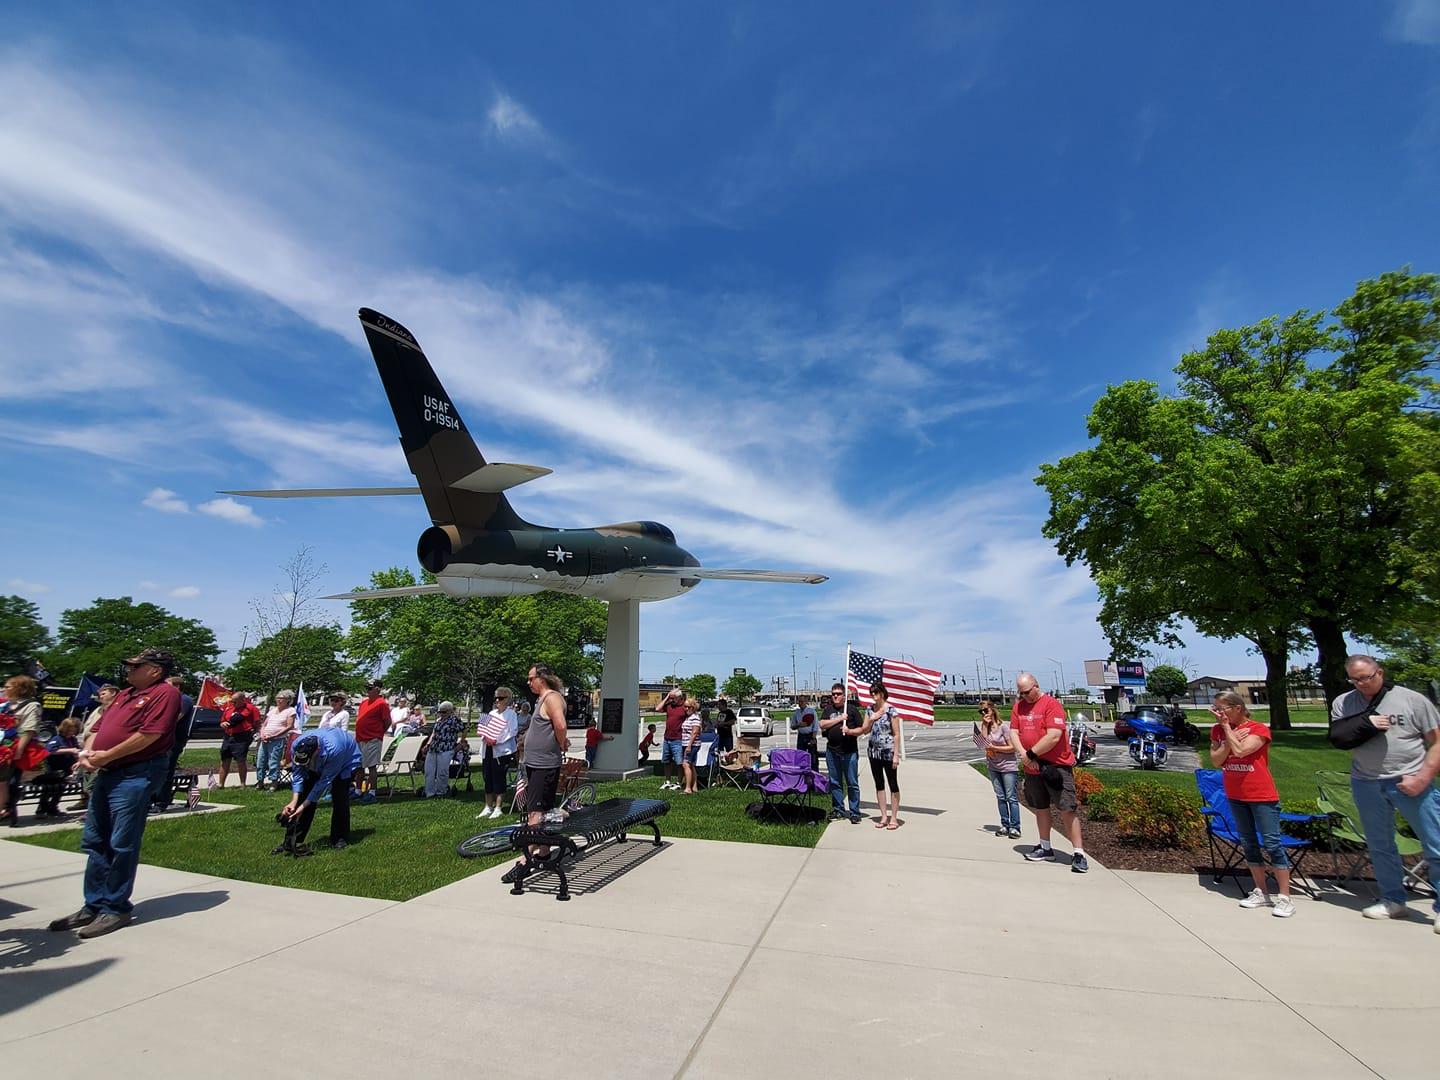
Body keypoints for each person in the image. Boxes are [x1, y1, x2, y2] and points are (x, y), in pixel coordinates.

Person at [47, 648, 181, 938]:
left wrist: (104, 757)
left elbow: (149, 735)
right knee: (95, 840)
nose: (128, 670)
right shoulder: (124, 694)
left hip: (136, 774)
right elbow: (98, 728)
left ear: (155, 670)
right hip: (107, 771)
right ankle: (92, 905)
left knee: (122, 842)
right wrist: (89, 752)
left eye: (136, 665)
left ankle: (116, 908)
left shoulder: (164, 694)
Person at [1331, 654, 1440, 929]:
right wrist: (1366, 725)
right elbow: (1339, 737)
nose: (1361, 684)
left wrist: (1423, 778)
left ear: (1379, 672)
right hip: (1365, 781)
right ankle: (1393, 900)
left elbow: (1436, 743)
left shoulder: (1412, 700)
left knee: (1434, 842)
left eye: (1366, 677)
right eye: (1355, 679)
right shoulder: (1344, 702)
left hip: (1410, 780)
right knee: (1380, 846)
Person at [1209, 691, 1293, 917]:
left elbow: (1241, 751)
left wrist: (1228, 732)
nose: (1217, 713)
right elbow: (1217, 760)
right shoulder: (1217, 730)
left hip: (1261, 795)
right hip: (1236, 794)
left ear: (1237, 708)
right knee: (1248, 842)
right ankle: (1261, 892)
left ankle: (1284, 897)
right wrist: (1228, 735)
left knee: (1272, 843)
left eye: (1221, 708)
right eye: (1215, 709)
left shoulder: (1258, 729)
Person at [1011, 672, 1088, 873]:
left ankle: (1078, 853)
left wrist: (1031, 754)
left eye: (1027, 692)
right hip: (1032, 767)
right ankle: (1045, 847)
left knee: (1067, 808)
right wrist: (1024, 755)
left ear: (1036, 685)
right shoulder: (1019, 707)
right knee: (1041, 807)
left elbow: (1054, 736)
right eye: (1020, 693)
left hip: (1056, 766)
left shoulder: (1051, 704)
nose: (1024, 696)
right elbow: (1013, 732)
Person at [510, 663, 569, 877]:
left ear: (541, 678)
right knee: (541, 811)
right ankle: (543, 852)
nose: (528, 682)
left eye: (530, 678)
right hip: (535, 764)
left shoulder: (552, 698)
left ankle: (524, 861)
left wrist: (561, 743)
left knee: (535, 813)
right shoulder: (541, 700)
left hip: (545, 765)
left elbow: (560, 726)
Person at [275, 726, 360, 856]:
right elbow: (297, 775)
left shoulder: (334, 750)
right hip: (321, 757)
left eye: (307, 761)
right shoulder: (296, 746)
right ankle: (292, 840)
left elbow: (323, 783)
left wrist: (304, 805)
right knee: (303, 797)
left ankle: (339, 838)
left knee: (340, 798)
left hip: (344, 759)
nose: (305, 764)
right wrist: (294, 801)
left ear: (317, 751)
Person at [3, 674, 59, 824]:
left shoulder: (31, 705)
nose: (4, 689)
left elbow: (29, 730)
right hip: (3, 745)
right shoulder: (6, 705)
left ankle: (9, 810)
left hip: (15, 748)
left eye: (8, 686)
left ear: (20, 689)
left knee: (12, 781)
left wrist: (18, 751)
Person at [852, 682, 904, 829]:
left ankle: (894, 817)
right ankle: (884, 816)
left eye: (875, 693)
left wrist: (895, 754)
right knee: (879, 783)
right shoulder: (870, 710)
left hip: (888, 751)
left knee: (892, 783)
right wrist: (873, 717)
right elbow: (865, 729)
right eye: (871, 693)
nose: (873, 696)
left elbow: (896, 733)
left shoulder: (891, 710)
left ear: (882, 693)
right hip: (874, 752)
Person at [974, 699, 1020, 838]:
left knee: (1011, 797)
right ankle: (1005, 824)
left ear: (993, 710)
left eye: (986, 710)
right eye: (981, 712)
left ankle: (1015, 826)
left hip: (1008, 766)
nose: (984, 713)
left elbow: (1013, 747)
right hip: (993, 766)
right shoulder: (985, 726)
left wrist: (996, 748)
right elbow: (982, 744)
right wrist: (984, 724)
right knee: (1000, 797)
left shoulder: (1004, 727)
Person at [70, 684, 118, 812]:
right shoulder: (97, 710)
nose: (100, 696)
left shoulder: (117, 710)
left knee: (94, 784)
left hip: (101, 753)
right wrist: (82, 754)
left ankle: (96, 811)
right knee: (85, 781)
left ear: (113, 693)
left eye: (104, 693)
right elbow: (88, 731)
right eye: (100, 694)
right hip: (87, 751)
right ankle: (87, 805)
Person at [151, 675, 196, 813]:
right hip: (161, 740)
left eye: (167, 685)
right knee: (156, 770)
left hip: (174, 740)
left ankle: (161, 802)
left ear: (177, 686)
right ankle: (153, 799)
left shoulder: (184, 700)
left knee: (166, 770)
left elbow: (174, 718)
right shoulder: (166, 699)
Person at [820, 683, 864, 823]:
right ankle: (838, 809)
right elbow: (822, 724)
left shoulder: (852, 710)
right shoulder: (828, 710)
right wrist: (839, 719)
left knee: (852, 783)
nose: (835, 696)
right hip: (832, 751)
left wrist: (850, 731)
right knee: (835, 782)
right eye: (833, 694)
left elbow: (861, 729)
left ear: (844, 696)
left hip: (849, 752)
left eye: (838, 694)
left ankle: (854, 812)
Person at [479, 687, 519, 818]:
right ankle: (487, 806)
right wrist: (486, 737)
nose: (497, 701)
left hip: (502, 751)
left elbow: (512, 731)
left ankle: (498, 807)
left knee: (499, 778)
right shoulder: (491, 713)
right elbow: (484, 728)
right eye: (496, 698)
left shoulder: (511, 714)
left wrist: (497, 740)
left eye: (500, 698)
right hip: (488, 750)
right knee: (487, 777)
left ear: (506, 700)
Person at [354, 679, 390, 804]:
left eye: (370, 688)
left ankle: (372, 792)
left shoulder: (382, 704)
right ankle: (358, 791)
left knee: (371, 766)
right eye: (367, 688)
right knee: (359, 766)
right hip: (360, 739)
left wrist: (379, 733)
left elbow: (387, 721)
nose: (367, 691)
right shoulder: (363, 703)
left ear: (377, 689)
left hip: (373, 739)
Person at [255, 690, 297, 791]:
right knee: (260, 761)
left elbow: (289, 726)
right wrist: (262, 735)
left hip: (277, 740)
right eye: (278, 698)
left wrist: (274, 735)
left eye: (281, 698)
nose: (279, 700)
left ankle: (274, 784)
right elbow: (264, 724)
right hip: (265, 739)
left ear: (288, 700)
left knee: (273, 762)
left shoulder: (290, 711)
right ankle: (260, 782)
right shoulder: (273, 710)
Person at [217, 690, 259, 788]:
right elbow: (222, 721)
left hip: (242, 737)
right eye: (232, 701)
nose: (233, 703)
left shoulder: (251, 708)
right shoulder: (229, 709)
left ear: (242, 700)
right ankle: (221, 784)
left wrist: (254, 733)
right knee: (225, 759)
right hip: (228, 736)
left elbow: (257, 722)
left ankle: (242, 784)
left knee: (240, 760)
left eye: (235, 701)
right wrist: (223, 724)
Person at [422, 701, 464, 798]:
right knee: (429, 771)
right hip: (434, 747)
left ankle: (441, 791)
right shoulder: (438, 720)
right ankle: (429, 792)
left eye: (444, 712)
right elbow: (434, 733)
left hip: (446, 748)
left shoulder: (454, 720)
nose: (441, 714)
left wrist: (462, 742)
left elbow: (464, 730)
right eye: (440, 712)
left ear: (450, 711)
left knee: (442, 771)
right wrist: (428, 744)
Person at [659, 687, 687, 791]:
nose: (672, 700)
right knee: (666, 761)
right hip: (667, 738)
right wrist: (667, 697)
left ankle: (679, 782)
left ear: (679, 697)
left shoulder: (685, 707)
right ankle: (667, 781)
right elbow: (658, 708)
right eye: (671, 698)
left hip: (678, 739)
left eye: (673, 698)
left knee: (679, 762)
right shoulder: (669, 706)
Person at [681, 696, 703, 794]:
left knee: (686, 764)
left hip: (692, 744)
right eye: (685, 706)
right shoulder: (689, 717)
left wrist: (689, 745)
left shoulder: (695, 718)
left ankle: (688, 788)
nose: (685, 709)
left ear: (693, 708)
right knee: (691, 765)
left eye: (688, 707)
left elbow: (695, 732)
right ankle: (694, 787)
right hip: (687, 743)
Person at [791, 695, 818, 769]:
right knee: (800, 756)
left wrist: (813, 738)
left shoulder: (811, 711)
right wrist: (798, 725)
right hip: (801, 736)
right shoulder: (796, 713)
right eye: (799, 701)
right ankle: (802, 773)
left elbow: (815, 726)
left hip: (810, 736)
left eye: (802, 701)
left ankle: (814, 775)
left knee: (812, 758)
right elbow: (792, 726)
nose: (801, 703)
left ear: (806, 702)